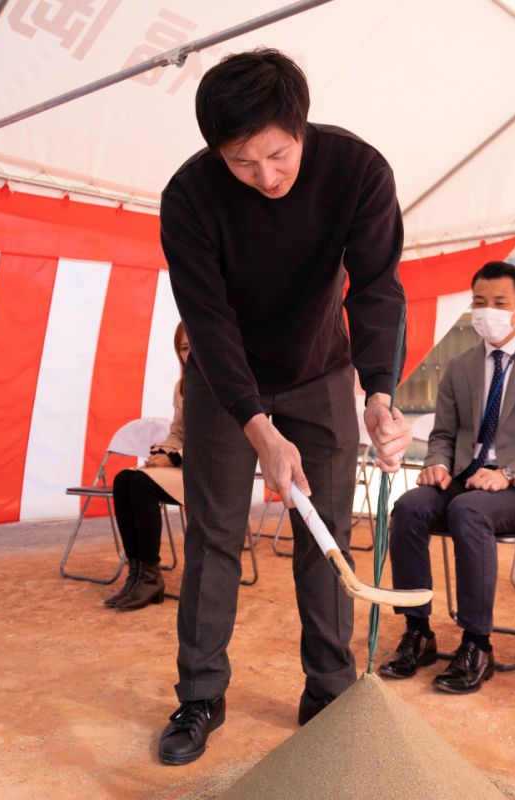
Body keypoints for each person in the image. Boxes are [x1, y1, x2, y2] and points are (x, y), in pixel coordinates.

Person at [156, 49, 411, 766]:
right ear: (216, 153)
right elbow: (205, 321)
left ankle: (328, 687)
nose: (264, 176)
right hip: (224, 381)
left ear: (300, 126)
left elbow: (377, 288)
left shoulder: (358, 172)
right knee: (213, 533)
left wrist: (379, 391)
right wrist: (255, 423)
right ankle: (201, 693)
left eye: (277, 154)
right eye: (242, 162)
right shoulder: (190, 197)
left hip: (321, 372)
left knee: (325, 532)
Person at [379, 262, 515, 693]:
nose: (488, 311)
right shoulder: (460, 366)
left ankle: (476, 643)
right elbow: (444, 434)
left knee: (469, 510)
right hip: (463, 480)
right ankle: (418, 631)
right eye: (480, 303)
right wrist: (437, 463)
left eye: (499, 303)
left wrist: (508, 474)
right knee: (410, 507)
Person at [103, 322, 190, 611]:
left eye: (194, 347)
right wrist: (160, 453)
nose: (189, 354)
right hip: (182, 467)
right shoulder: (183, 387)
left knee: (140, 485)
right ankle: (138, 574)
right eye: (183, 349)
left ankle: (151, 576)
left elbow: (213, 441)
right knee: (123, 479)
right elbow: (178, 432)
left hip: (207, 472)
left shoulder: (219, 386)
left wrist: (173, 459)